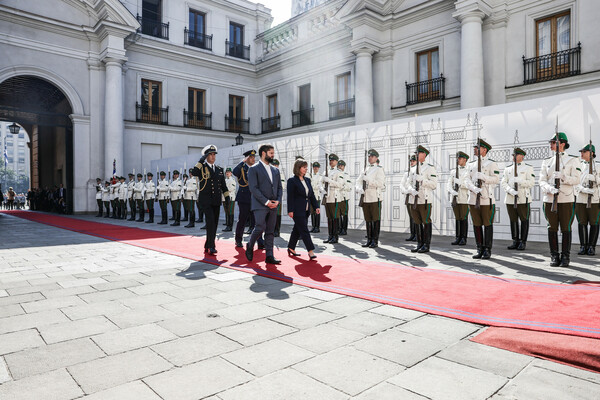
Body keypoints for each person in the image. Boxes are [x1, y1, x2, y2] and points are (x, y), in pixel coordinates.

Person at [539, 132, 580, 267]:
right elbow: (542, 180)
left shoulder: (572, 160)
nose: (550, 145)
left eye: (553, 142)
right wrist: (550, 189)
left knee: (566, 228)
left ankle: (565, 256)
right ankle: (554, 255)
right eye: (551, 142)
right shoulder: (547, 161)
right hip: (550, 199)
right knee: (552, 227)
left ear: (562, 144)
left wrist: (563, 177)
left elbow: (577, 179)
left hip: (566, 199)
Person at [245, 144, 283, 264]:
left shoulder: (275, 170)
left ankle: (269, 256)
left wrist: (277, 200)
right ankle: (250, 246)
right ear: (263, 153)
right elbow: (253, 188)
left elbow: (279, 188)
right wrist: (266, 202)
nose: (273, 155)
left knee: (270, 231)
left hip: (273, 205)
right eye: (271, 153)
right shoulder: (253, 169)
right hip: (260, 205)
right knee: (260, 227)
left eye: (273, 153)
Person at [191, 145, 231, 255]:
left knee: (215, 223)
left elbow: (223, 186)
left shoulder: (219, 169)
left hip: (216, 200)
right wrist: (200, 161)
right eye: (210, 154)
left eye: (214, 154)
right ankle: (212, 246)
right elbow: (194, 172)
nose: (213, 157)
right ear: (206, 156)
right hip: (206, 200)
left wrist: (227, 197)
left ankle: (207, 243)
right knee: (210, 222)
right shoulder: (202, 168)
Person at [465, 140, 499, 260]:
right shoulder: (471, 164)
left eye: (477, 148)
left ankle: (487, 249)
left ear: (484, 150)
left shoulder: (491, 164)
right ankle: (479, 248)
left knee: (487, 224)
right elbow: (466, 180)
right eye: (475, 147)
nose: (475, 149)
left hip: (486, 199)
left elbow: (496, 179)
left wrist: (483, 177)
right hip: (473, 198)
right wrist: (473, 188)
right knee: (477, 224)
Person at [500, 148, 535, 250]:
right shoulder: (508, 169)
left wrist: (520, 181)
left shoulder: (528, 168)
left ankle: (523, 241)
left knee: (524, 220)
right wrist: (510, 190)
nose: (514, 157)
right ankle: (515, 240)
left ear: (522, 156)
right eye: (513, 155)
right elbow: (503, 182)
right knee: (513, 220)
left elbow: (531, 182)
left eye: (516, 155)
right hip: (510, 198)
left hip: (523, 198)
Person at [406, 146, 437, 253]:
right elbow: (408, 183)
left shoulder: (430, 168)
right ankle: (419, 244)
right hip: (413, 199)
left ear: (424, 155)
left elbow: (434, 184)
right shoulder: (413, 169)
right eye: (416, 153)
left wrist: (423, 181)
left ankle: (426, 245)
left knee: (426, 221)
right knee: (417, 221)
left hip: (425, 199)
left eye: (419, 153)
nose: (416, 154)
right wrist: (411, 190)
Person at [287, 158, 319, 259]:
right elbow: (290, 196)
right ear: (298, 168)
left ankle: (291, 247)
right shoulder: (292, 181)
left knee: (297, 228)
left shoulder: (307, 180)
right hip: (297, 210)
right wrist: (290, 210)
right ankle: (310, 250)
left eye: (306, 167)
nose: (306, 169)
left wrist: (316, 206)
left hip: (306, 209)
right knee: (304, 230)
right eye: (304, 167)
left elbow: (311, 195)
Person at [355, 149, 386, 248]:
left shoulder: (379, 169)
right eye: (369, 156)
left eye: (372, 156)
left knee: (375, 220)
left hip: (374, 197)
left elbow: (380, 184)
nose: (370, 158)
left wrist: (368, 179)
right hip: (365, 197)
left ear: (376, 158)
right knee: (368, 219)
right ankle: (369, 239)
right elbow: (358, 181)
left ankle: (374, 240)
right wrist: (359, 189)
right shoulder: (365, 169)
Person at [574, 144, 599, 256]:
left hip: (594, 199)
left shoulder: (598, 166)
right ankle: (583, 246)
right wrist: (583, 189)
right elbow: (575, 182)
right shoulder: (578, 165)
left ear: (591, 153)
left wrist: (595, 178)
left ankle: (591, 247)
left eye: (584, 152)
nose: (581, 154)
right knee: (582, 222)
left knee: (594, 223)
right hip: (581, 198)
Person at [233, 149, 257, 247]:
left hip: (255, 198)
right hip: (244, 197)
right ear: (247, 158)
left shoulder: (256, 168)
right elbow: (234, 172)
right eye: (251, 157)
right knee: (242, 219)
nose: (253, 159)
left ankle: (259, 241)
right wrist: (242, 161)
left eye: (254, 157)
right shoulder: (242, 168)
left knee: (257, 221)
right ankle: (238, 239)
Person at [321, 154, 346, 244]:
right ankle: (330, 236)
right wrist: (321, 189)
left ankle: (335, 237)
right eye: (330, 160)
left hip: (335, 197)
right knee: (329, 218)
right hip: (327, 197)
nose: (331, 162)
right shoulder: (325, 172)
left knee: (335, 218)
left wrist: (329, 181)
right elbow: (321, 183)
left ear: (336, 161)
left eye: (333, 160)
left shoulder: (338, 172)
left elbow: (340, 184)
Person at [447, 152, 470, 245]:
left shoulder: (468, 171)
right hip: (455, 198)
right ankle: (458, 237)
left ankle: (463, 238)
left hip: (464, 198)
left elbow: (468, 185)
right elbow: (449, 183)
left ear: (465, 160)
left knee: (463, 218)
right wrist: (452, 191)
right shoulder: (453, 171)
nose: (458, 160)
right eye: (457, 158)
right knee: (457, 218)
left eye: (460, 158)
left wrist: (460, 182)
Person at [400, 155, 418, 242]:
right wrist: (406, 191)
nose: (411, 162)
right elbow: (402, 184)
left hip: (415, 197)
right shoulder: (406, 173)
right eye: (411, 161)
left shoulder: (417, 171)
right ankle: (412, 234)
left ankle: (417, 235)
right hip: (408, 197)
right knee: (411, 217)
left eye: (413, 161)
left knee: (416, 217)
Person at [337, 160, 352, 236]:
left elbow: (349, 187)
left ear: (344, 167)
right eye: (339, 165)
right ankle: (339, 229)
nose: (340, 167)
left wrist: (342, 187)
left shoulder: (346, 175)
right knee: (338, 214)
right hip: (337, 197)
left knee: (345, 214)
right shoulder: (335, 174)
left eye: (341, 166)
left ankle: (344, 229)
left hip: (344, 197)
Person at [272, 159, 285, 237]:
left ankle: (277, 230)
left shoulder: (281, 174)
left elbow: (282, 185)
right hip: (271, 198)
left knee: (277, 214)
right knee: (271, 215)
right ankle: (272, 230)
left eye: (276, 165)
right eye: (273, 165)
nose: (275, 167)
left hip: (277, 197)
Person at [310, 162, 322, 232]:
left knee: (317, 212)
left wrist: (314, 187)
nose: (315, 168)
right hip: (311, 196)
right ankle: (313, 226)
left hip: (317, 196)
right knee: (312, 212)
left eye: (317, 167)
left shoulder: (320, 176)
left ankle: (317, 227)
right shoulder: (310, 176)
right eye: (314, 167)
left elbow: (320, 186)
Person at [223, 167, 237, 232]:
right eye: (226, 172)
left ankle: (230, 226)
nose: (227, 173)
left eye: (229, 172)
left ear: (231, 173)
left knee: (230, 211)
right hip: (225, 198)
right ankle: (227, 224)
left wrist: (224, 190)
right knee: (227, 211)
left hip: (230, 198)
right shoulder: (225, 180)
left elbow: (231, 189)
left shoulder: (232, 180)